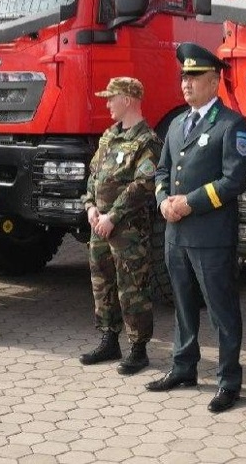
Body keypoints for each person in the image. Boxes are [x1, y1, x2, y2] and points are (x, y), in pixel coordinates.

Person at [147, 43, 246, 414]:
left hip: (210, 236)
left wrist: (190, 201)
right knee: (182, 305)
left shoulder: (231, 124)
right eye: (184, 77)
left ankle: (228, 381)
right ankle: (183, 366)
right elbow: (162, 170)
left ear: (215, 80)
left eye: (194, 77)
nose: (186, 84)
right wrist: (162, 200)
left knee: (222, 310)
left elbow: (233, 180)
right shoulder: (177, 123)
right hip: (175, 234)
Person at [79, 77, 161, 375]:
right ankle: (108, 339)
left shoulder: (146, 141)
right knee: (103, 282)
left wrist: (112, 216)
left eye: (111, 97)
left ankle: (138, 349)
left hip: (126, 230)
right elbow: (93, 175)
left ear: (127, 99)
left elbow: (143, 184)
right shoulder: (108, 136)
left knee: (132, 287)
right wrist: (89, 206)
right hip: (99, 225)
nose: (107, 103)